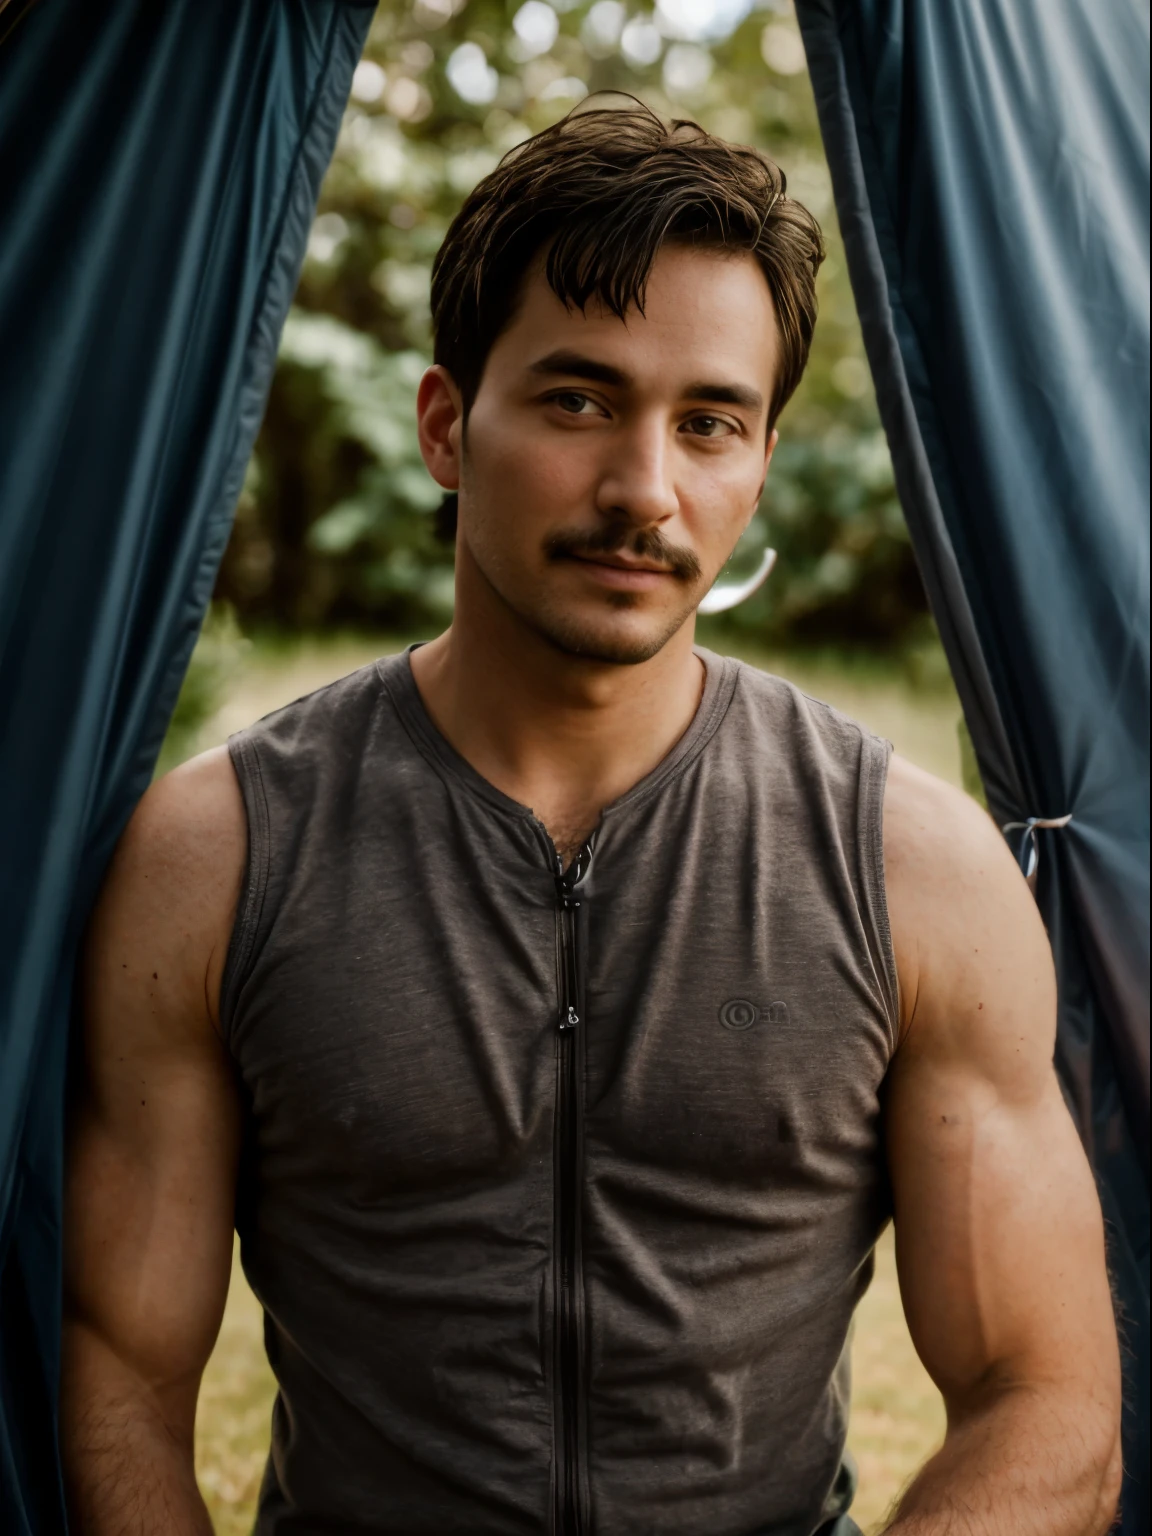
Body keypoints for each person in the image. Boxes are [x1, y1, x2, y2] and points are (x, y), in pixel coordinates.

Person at [61, 103, 1121, 1536]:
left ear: (757, 464)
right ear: (448, 426)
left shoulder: (912, 870)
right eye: (577, 400)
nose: (644, 490)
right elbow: (119, 1368)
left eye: (708, 424)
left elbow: (1047, 1400)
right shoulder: (220, 856)